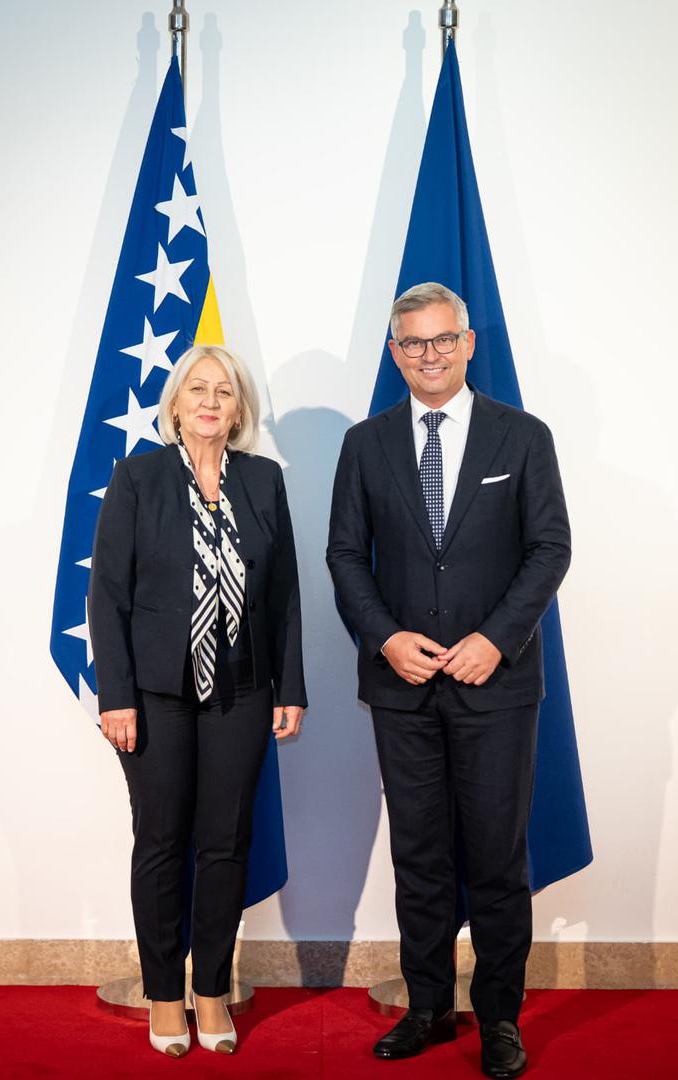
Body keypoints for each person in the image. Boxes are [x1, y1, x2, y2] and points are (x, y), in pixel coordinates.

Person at [326, 282, 571, 1078]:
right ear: (394, 353)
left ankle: (499, 1017)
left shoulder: (522, 436)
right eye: (413, 343)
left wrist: (495, 640)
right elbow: (343, 555)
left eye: (441, 340)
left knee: (497, 859)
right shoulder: (366, 444)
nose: (428, 355)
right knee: (420, 856)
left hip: (497, 687)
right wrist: (386, 637)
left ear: (467, 344)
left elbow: (550, 548)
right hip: (402, 688)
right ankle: (427, 1006)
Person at [89, 345, 306, 1058]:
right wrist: (116, 695)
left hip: (241, 691)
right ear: (176, 404)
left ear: (239, 409)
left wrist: (290, 686)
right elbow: (108, 594)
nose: (211, 401)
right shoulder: (138, 478)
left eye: (224, 391)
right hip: (156, 696)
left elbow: (284, 595)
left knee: (225, 842)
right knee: (160, 842)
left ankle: (210, 991)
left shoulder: (264, 480)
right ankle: (163, 994)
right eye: (198, 389)